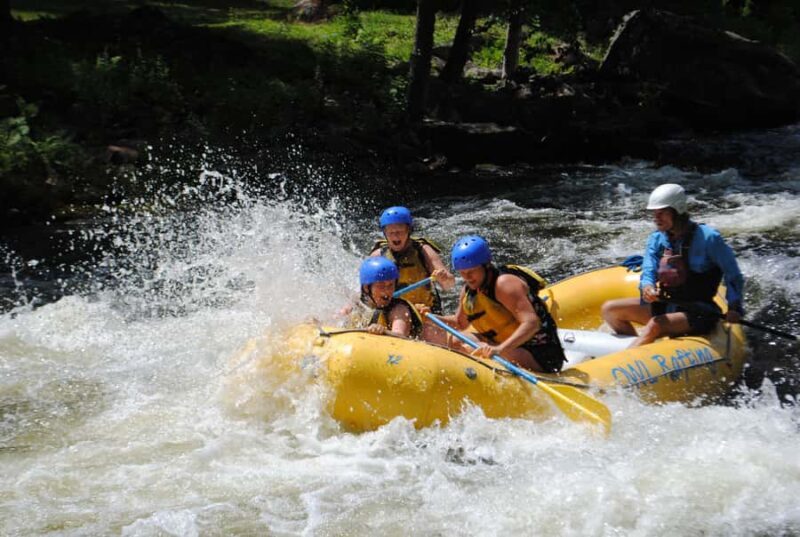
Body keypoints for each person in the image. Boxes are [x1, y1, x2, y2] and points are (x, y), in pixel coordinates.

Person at [601, 183, 744, 347]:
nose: (656, 217)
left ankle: (630, 357)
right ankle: (639, 352)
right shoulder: (656, 239)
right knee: (610, 310)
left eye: (662, 213)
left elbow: (733, 274)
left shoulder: (709, 238)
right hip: (668, 304)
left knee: (656, 324)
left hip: (700, 312)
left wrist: (734, 307)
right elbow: (648, 270)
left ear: (678, 210)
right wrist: (647, 287)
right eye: (654, 213)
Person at [429, 235, 565, 373]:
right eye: (463, 273)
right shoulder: (468, 290)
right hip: (502, 344)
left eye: (472, 271)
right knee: (456, 342)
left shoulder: (504, 284)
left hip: (538, 353)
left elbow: (531, 323)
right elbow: (459, 323)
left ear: (486, 265)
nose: (467, 277)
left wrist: (500, 349)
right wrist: (428, 317)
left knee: (477, 349)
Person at [370, 206, 455, 313]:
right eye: (391, 232)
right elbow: (364, 292)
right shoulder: (377, 256)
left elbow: (449, 285)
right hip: (392, 311)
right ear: (385, 234)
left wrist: (444, 278)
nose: (395, 236)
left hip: (424, 310)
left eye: (400, 231)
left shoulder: (423, 250)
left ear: (408, 230)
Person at [357, 256, 446, 344]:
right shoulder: (357, 304)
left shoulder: (399, 310)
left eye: (390, 285)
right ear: (366, 288)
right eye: (381, 286)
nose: (387, 290)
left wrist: (383, 332)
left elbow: (400, 337)